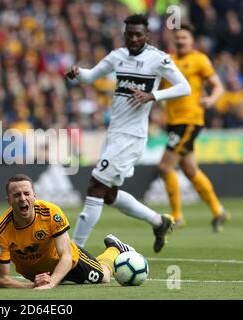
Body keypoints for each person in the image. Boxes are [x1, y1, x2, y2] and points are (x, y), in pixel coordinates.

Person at [65, 14, 191, 253]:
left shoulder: (158, 59)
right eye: (129, 34)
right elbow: (91, 76)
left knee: (95, 186)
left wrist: (153, 95)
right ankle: (158, 221)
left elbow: (185, 87)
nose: (133, 38)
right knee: (109, 194)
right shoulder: (117, 56)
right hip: (115, 134)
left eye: (138, 34)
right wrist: (77, 72)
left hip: (132, 137)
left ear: (147, 35)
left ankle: (74, 252)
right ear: (124, 34)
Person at [0, 173, 135, 289]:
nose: (23, 199)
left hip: (70, 263)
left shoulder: (51, 212)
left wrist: (51, 283)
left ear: (34, 196)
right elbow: (2, 279)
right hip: (38, 273)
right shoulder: (1, 231)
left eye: (26, 193)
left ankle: (115, 248)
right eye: (17, 195)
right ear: (9, 200)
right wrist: (32, 286)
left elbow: (66, 256)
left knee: (104, 276)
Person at [158, 24, 228, 231]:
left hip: (189, 120)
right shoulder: (167, 60)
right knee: (189, 169)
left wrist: (211, 100)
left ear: (192, 41)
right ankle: (218, 210)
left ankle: (177, 216)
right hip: (173, 121)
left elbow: (218, 85)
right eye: (177, 37)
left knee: (165, 167)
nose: (181, 41)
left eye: (185, 38)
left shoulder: (199, 59)